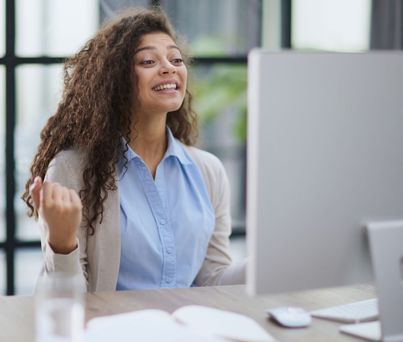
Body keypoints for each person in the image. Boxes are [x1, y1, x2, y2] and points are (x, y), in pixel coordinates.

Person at [22, 8, 246, 292]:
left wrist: (268, 263)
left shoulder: (208, 171)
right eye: (149, 60)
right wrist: (62, 243)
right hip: (113, 333)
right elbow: (65, 303)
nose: (169, 67)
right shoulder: (72, 170)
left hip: (186, 332)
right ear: (116, 79)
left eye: (176, 59)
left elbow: (212, 279)